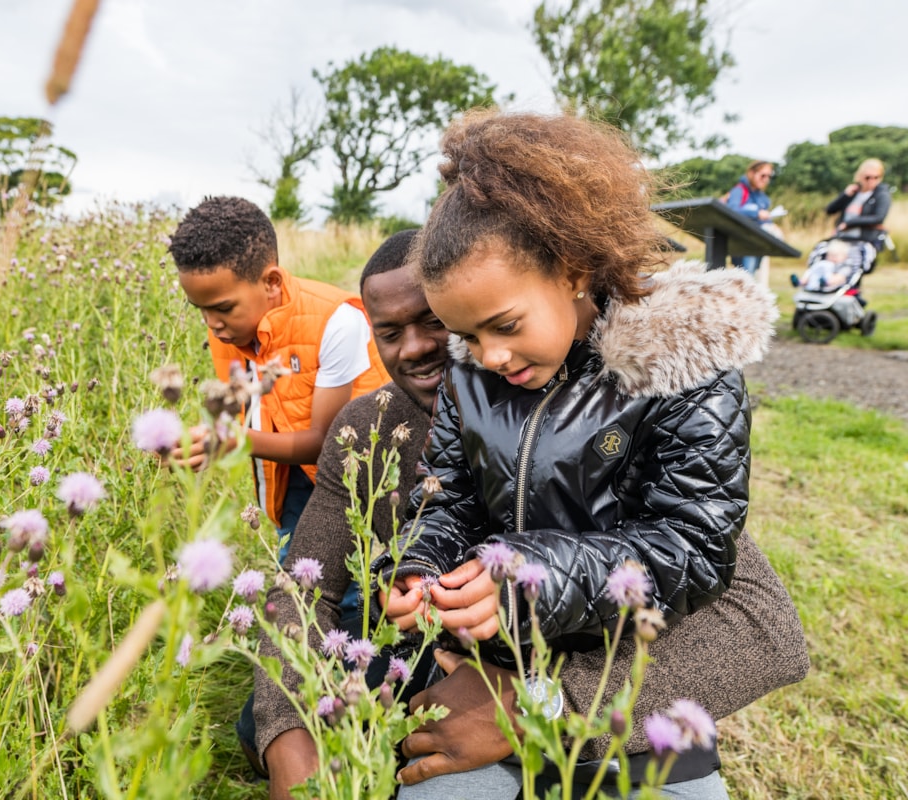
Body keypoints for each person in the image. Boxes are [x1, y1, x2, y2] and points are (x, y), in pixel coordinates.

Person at [248, 229, 807, 799]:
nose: (418, 347)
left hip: (600, 707)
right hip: (450, 676)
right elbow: (303, 586)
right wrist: (286, 733)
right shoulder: (370, 428)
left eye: (438, 324)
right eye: (390, 332)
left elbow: (760, 624)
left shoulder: (600, 405)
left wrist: (534, 703)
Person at [375, 110, 808, 798]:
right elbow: (447, 494)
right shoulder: (470, 374)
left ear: (572, 269)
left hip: (630, 676)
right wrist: (418, 562)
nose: (488, 356)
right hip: (491, 666)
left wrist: (537, 576)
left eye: (505, 325)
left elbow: (694, 546)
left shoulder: (680, 363)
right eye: (464, 334)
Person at [167, 196, 390, 544]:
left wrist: (230, 441)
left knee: (340, 585)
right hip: (287, 476)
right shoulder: (230, 329)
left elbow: (326, 444)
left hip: (353, 473)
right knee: (301, 577)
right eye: (201, 310)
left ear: (271, 282)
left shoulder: (337, 322)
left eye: (222, 308)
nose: (212, 325)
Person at [826, 158, 892, 252]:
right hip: (842, 237)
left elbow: (878, 218)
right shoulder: (853, 192)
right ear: (860, 176)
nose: (871, 180)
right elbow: (829, 210)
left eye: (876, 177)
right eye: (867, 177)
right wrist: (845, 195)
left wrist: (849, 223)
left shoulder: (882, 195)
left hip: (865, 239)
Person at [724, 160, 776, 276]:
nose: (766, 179)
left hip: (758, 244)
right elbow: (732, 210)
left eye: (769, 176)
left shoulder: (763, 198)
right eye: (763, 175)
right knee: (746, 277)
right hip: (742, 243)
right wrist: (756, 213)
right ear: (752, 173)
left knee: (753, 278)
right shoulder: (739, 191)